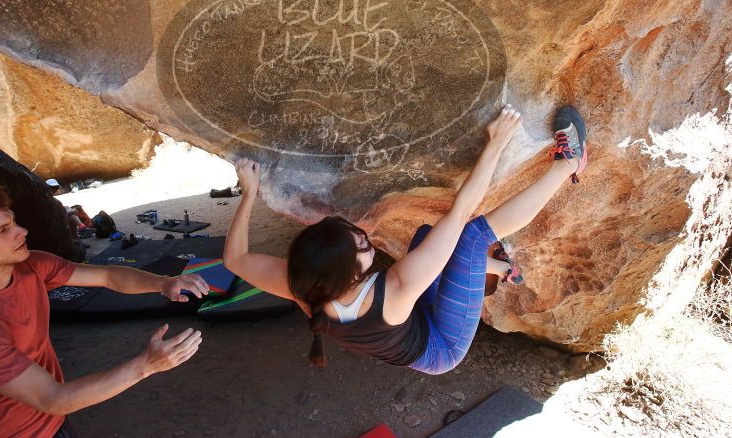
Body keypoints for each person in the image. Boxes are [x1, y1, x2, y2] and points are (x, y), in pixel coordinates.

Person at [223, 104, 587, 375]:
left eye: (353, 233)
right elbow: (461, 212)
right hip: (441, 346)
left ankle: (497, 269)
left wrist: (248, 194)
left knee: (428, 238)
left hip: (410, 319)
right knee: (472, 236)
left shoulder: (306, 288)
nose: (365, 238)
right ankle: (569, 163)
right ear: (351, 276)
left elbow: (235, 261)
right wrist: (495, 144)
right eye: (363, 247)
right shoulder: (394, 287)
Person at [0, 181, 210, 437]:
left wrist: (163, 283)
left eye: (12, 221)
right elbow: (54, 399)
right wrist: (146, 365)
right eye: (3, 230)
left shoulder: (32, 266)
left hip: (54, 423)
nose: (22, 231)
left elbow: (108, 276)